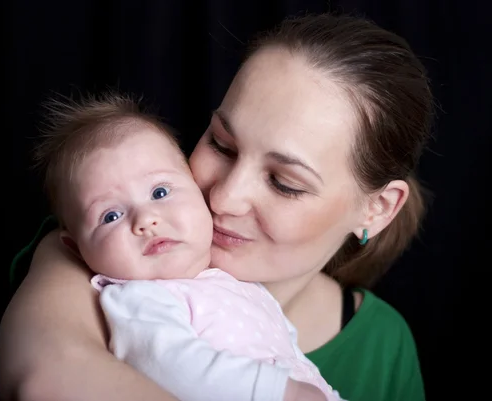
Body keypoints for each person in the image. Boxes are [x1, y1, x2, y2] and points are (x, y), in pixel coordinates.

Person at [0, 12, 431, 401]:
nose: (223, 197)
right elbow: (43, 381)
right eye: (221, 144)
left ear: (376, 209)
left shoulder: (384, 344)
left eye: (284, 183)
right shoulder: (94, 255)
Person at [33, 93, 343, 401]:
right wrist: (278, 392)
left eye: (160, 192)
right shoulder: (141, 300)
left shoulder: (235, 283)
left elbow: (287, 352)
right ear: (76, 248)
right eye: (110, 215)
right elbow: (171, 365)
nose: (146, 219)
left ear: (197, 189)